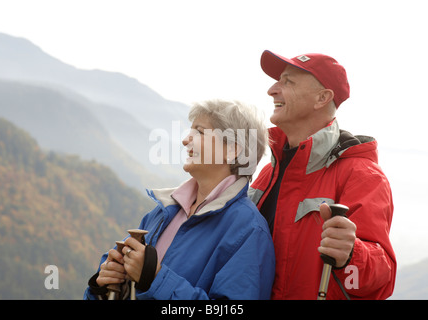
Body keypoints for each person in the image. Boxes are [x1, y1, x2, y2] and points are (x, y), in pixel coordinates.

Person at [84, 99, 275, 300]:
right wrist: (101, 287)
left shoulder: (249, 231)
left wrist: (155, 280)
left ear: (232, 150)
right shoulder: (164, 210)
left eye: (200, 132)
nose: (185, 140)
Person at [249, 51, 396, 299]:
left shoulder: (363, 175)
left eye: (288, 82)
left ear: (322, 98)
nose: (272, 90)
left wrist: (352, 254)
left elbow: (380, 281)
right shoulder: (267, 173)